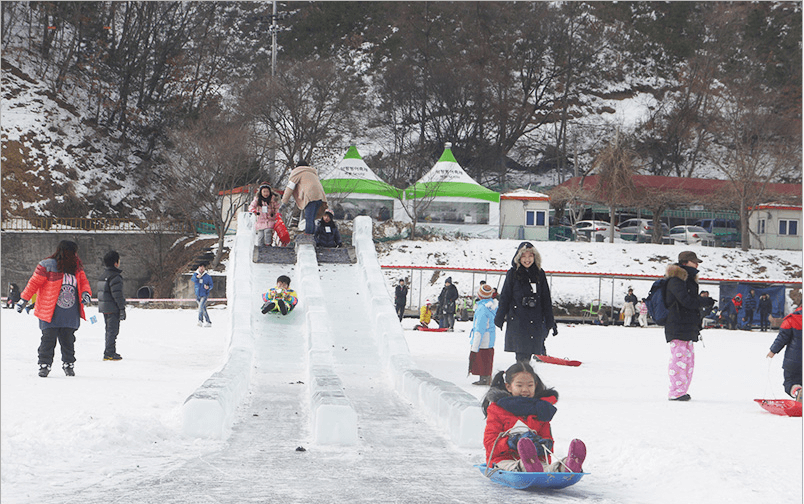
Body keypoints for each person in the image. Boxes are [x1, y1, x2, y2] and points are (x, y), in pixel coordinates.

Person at [482, 361, 586, 473]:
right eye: (519, 385)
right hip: (503, 460)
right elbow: (490, 443)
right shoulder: (498, 409)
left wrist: (544, 445)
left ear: (535, 386)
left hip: (536, 461)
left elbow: (546, 437)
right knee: (516, 467)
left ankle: (567, 466)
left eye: (530, 385)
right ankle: (526, 466)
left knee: (546, 469)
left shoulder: (541, 409)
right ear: (509, 387)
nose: (525, 390)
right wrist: (511, 442)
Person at [16, 240, 92, 377]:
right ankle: (44, 364)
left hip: (70, 312)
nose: (74, 255)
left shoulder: (77, 268)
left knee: (68, 340)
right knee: (48, 339)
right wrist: (24, 299)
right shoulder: (47, 265)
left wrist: (86, 293)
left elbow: (84, 283)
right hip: (49, 312)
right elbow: (34, 283)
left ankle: (68, 364)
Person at [663, 251, 716, 402]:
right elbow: (686, 301)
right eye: (694, 261)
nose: (697, 264)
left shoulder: (688, 280)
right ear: (685, 262)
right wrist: (703, 301)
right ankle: (675, 392)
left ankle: (682, 390)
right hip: (677, 325)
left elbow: (690, 302)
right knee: (679, 359)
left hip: (687, 325)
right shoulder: (676, 280)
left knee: (688, 360)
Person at [494, 242, 557, 363]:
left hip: (535, 319)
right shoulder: (512, 273)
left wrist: (550, 320)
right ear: (518, 257)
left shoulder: (539, 273)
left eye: (530, 256)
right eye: (524, 256)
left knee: (529, 354)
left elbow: (546, 298)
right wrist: (500, 317)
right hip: (518, 319)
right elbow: (505, 297)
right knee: (521, 354)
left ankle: (525, 376)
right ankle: (521, 376)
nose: (527, 260)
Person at [279, 159, 328, 235]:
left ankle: (308, 238)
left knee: (308, 218)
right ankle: (313, 237)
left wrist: (284, 202)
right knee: (312, 219)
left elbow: (290, 188)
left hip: (310, 197)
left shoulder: (297, 172)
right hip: (320, 197)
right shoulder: (312, 173)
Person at [767, 303, 802, 402]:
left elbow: (782, 338)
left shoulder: (792, 319)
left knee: (790, 382)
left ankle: (797, 391)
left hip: (794, 360)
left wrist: (773, 351)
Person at [97, 250, 126, 361]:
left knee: (109, 330)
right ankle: (109, 352)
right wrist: (121, 308)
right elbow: (117, 295)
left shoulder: (103, 275)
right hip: (113, 308)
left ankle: (110, 351)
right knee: (112, 331)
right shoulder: (115, 277)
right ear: (116, 263)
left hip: (105, 308)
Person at [469, 284, 498, 386]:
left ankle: (484, 378)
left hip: (483, 338)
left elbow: (479, 328)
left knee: (482, 358)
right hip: (490, 337)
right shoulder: (491, 306)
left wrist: (475, 345)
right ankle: (485, 377)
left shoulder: (482, 309)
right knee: (486, 357)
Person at [248, 181, 281, 247]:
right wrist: (253, 210)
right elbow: (251, 206)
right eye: (264, 191)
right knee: (260, 235)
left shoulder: (272, 200)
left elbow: (277, 208)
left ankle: (268, 245)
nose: (266, 193)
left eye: (267, 192)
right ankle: (260, 247)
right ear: (261, 192)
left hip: (270, 220)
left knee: (268, 232)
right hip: (261, 221)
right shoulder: (257, 199)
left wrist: (277, 214)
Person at [192, 262, 213, 327]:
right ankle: (208, 321)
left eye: (203, 268)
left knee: (200, 307)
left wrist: (208, 287)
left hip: (204, 294)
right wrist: (197, 277)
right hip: (198, 294)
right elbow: (193, 279)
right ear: (198, 268)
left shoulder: (207, 276)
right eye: (200, 268)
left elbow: (211, 285)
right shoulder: (195, 274)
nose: (201, 269)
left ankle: (200, 320)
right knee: (203, 309)